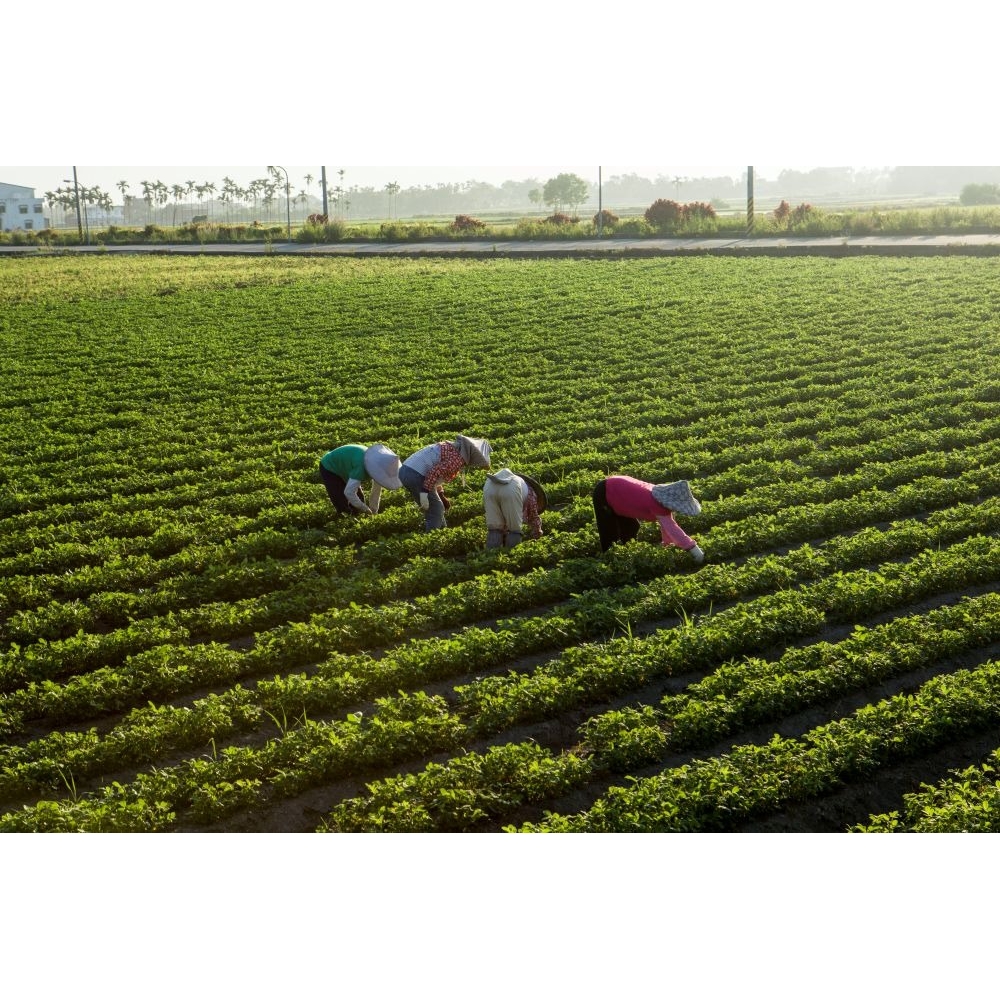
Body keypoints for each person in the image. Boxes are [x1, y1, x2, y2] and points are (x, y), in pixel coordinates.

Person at [592, 475, 704, 562]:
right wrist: (692, 548)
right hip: (605, 491)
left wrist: (667, 545)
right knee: (609, 532)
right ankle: (609, 559)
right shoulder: (656, 503)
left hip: (621, 494)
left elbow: (668, 526)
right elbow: (672, 528)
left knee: (632, 527)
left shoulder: (661, 498)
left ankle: (626, 554)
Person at [399, 435, 491, 530]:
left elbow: (436, 473)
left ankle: (442, 530)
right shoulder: (457, 458)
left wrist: (441, 494)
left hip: (405, 471)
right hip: (416, 475)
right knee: (436, 509)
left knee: (437, 507)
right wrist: (424, 493)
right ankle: (432, 536)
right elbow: (434, 472)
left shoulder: (451, 448)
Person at [318, 443, 402, 516]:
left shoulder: (379, 467)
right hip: (330, 467)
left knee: (359, 500)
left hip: (347, 466)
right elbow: (349, 492)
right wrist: (365, 509)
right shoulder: (361, 468)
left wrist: (373, 511)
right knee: (342, 504)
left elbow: (376, 492)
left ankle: (357, 515)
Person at [483, 468, 545, 548]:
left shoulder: (520, 482)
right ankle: (511, 552)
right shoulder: (531, 492)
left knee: (494, 527)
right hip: (510, 491)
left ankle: (491, 553)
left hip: (489, 486)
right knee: (514, 529)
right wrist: (537, 533)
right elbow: (533, 516)